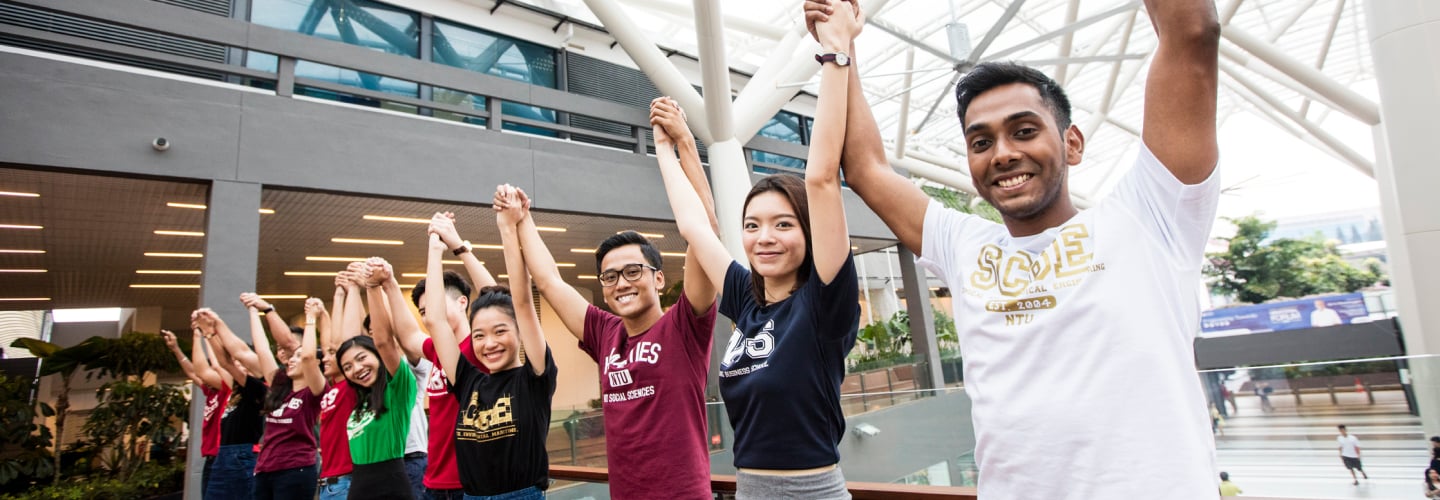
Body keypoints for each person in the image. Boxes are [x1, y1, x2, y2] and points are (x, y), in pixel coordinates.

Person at [804, 0, 1221, 496]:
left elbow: (1192, 34)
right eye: (981, 142)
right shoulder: (964, 245)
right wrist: (841, 46)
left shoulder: (1151, 216)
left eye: (1024, 132)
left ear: (1072, 144)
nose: (1002, 153)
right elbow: (868, 169)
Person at [648, 2, 861, 495]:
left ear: (808, 234)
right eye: (752, 225)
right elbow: (695, 228)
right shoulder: (748, 299)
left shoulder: (823, 304)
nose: (764, 237)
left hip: (813, 491)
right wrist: (668, 147)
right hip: (749, 489)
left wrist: (835, 54)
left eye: (783, 224)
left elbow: (823, 178)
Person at [506, 188, 719, 495]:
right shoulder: (605, 332)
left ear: (658, 278)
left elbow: (705, 231)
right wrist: (522, 218)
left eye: (633, 271)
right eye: (610, 276)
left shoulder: (684, 326)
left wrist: (682, 146)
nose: (621, 283)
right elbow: (549, 281)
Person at [423, 193, 557, 499]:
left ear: (520, 331)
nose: (489, 343)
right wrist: (435, 248)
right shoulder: (468, 380)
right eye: (479, 335)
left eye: (500, 331)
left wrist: (507, 227)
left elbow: (521, 300)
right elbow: (436, 321)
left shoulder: (534, 378)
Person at [369, 212, 495, 500]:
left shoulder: (480, 348)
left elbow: (495, 296)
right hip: (434, 483)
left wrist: (451, 246)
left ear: (463, 302)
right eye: (423, 312)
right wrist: (389, 285)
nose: (429, 317)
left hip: (470, 485)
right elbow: (410, 337)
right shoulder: (438, 351)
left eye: (435, 307)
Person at [161, 327, 230, 495]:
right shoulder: (211, 391)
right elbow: (193, 372)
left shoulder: (225, 389)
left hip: (222, 457)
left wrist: (201, 335)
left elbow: (202, 371)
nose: (206, 378)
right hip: (211, 458)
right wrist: (176, 348)